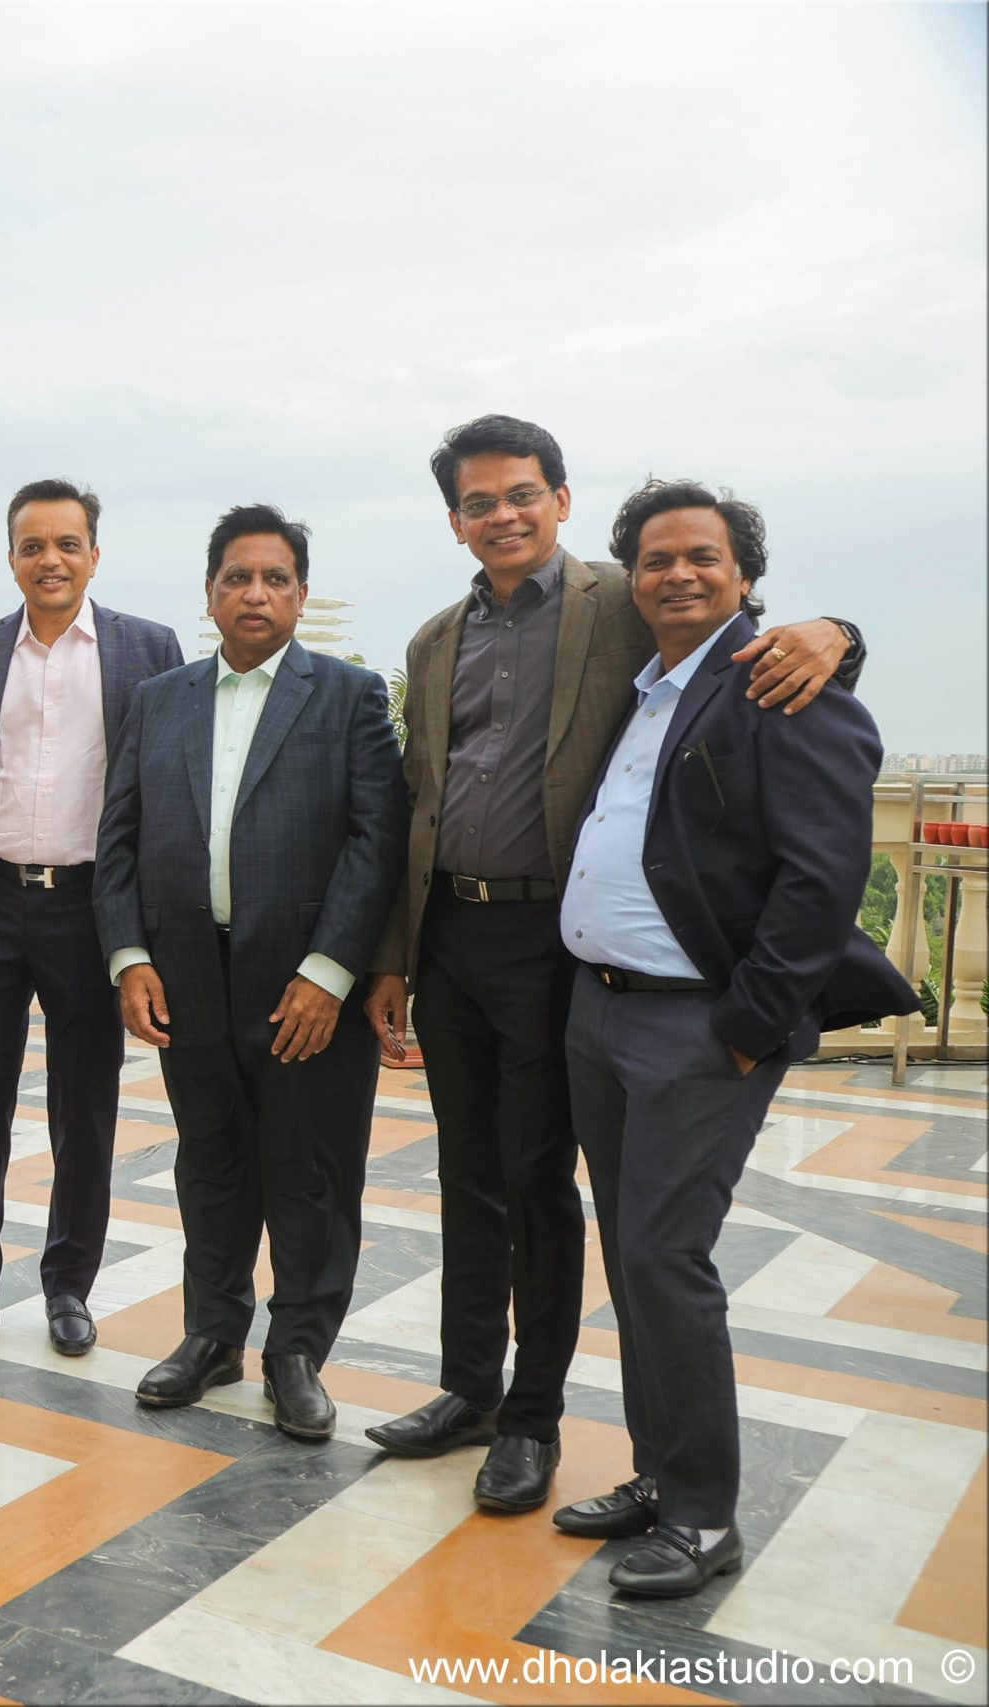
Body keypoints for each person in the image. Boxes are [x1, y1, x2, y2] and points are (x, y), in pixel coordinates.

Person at [359, 416, 862, 1514]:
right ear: (455, 521)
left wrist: (840, 632)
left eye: (522, 494)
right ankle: (469, 1388)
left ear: (561, 499)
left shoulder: (620, 603)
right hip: (453, 936)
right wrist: (395, 954)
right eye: (480, 502)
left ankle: (531, 1419)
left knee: (539, 1181)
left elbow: (740, 635)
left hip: (555, 944)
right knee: (468, 1174)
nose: (503, 515)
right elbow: (419, 801)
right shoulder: (435, 639)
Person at [553, 481, 912, 1596]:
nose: (678, 574)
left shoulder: (780, 684)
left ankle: (704, 1514)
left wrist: (750, 1027)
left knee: (667, 1257)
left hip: (697, 1027)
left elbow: (823, 877)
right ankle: (657, 1473)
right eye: (656, 559)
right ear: (632, 579)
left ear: (744, 575)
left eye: (701, 557)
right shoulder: (648, 688)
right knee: (632, 1254)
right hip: (600, 1010)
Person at [96, 505, 404, 1441]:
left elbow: (377, 840)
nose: (255, 594)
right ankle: (212, 1334)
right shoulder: (160, 699)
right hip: (187, 977)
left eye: (275, 578)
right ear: (210, 594)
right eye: (237, 577)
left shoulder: (347, 696)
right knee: (211, 1161)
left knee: (310, 1169)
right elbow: (118, 838)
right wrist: (130, 956)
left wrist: (331, 969)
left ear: (301, 594)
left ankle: (297, 1351)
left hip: (304, 986)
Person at [0, 480, 182, 1360]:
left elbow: (166, 786)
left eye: (68, 543)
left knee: (85, 1104)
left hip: (91, 906)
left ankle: (69, 1286)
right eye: (33, 545)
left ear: (94, 555)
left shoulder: (148, 649)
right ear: (11, 559)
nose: (51, 560)